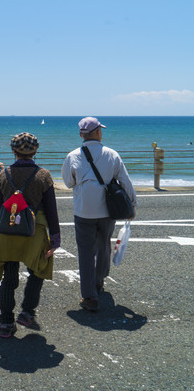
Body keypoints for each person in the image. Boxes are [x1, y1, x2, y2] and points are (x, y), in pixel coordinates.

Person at [0, 132, 61, 338]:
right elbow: (51, 209)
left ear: (13, 151)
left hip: (8, 230)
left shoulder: (4, 174)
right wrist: (55, 237)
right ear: (35, 151)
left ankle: (5, 322)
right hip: (34, 231)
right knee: (38, 270)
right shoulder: (43, 175)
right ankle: (27, 312)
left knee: (9, 278)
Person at [61, 117, 137, 312]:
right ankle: (99, 282)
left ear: (81, 135)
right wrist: (132, 205)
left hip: (84, 210)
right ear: (98, 132)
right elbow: (125, 181)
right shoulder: (112, 154)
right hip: (107, 210)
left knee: (85, 252)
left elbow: (68, 182)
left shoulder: (73, 156)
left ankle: (89, 297)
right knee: (103, 245)